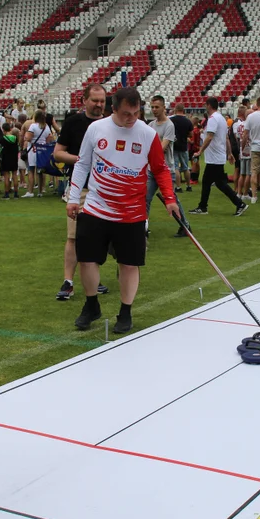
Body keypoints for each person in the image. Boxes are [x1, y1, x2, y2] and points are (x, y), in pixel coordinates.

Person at [67, 86, 182, 334]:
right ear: (114, 109)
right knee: (87, 259)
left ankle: (126, 311)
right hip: (96, 207)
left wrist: (170, 198)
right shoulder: (96, 129)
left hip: (132, 212)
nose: (132, 118)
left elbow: (160, 169)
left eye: (136, 112)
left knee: (129, 264)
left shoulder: (147, 134)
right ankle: (91, 306)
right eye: (126, 114)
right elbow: (83, 163)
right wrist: (73, 198)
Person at [53, 84, 111, 299]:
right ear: (84, 100)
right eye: (95, 100)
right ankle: (68, 282)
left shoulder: (111, 124)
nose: (99, 105)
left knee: (98, 237)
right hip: (82, 188)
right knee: (74, 237)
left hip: (106, 189)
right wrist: (80, 160)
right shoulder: (73, 123)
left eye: (102, 101)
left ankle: (93, 278)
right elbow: (58, 153)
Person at [189, 97, 248, 217]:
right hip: (218, 156)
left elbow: (210, 137)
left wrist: (200, 151)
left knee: (219, 183)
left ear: (209, 105)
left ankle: (239, 204)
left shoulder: (213, 119)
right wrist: (229, 153)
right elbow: (225, 138)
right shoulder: (221, 118)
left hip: (214, 157)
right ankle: (203, 206)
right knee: (210, 182)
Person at [146, 95, 180, 231]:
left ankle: (184, 225)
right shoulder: (151, 125)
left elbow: (161, 148)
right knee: (145, 198)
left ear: (164, 108)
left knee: (172, 199)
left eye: (157, 107)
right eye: (152, 107)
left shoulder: (169, 125)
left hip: (166, 168)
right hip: (151, 169)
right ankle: (144, 225)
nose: (154, 110)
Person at [23, 110, 53, 198]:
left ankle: (30, 191)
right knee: (40, 171)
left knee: (31, 170)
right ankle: (40, 191)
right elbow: (49, 138)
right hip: (42, 150)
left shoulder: (33, 126)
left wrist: (25, 136)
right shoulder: (46, 127)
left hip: (33, 149)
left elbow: (28, 138)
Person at [170, 104, 194, 192]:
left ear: (175, 109)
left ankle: (178, 187)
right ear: (183, 110)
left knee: (175, 167)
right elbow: (191, 134)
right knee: (185, 167)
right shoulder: (188, 121)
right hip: (184, 146)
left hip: (174, 145)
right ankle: (188, 186)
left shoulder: (171, 120)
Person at [232, 106, 251, 200]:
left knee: (242, 173)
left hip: (241, 151)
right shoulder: (249, 125)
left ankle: (239, 192)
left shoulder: (240, 125)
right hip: (249, 150)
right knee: (248, 173)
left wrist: (241, 149)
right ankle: (245, 193)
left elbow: (237, 137)